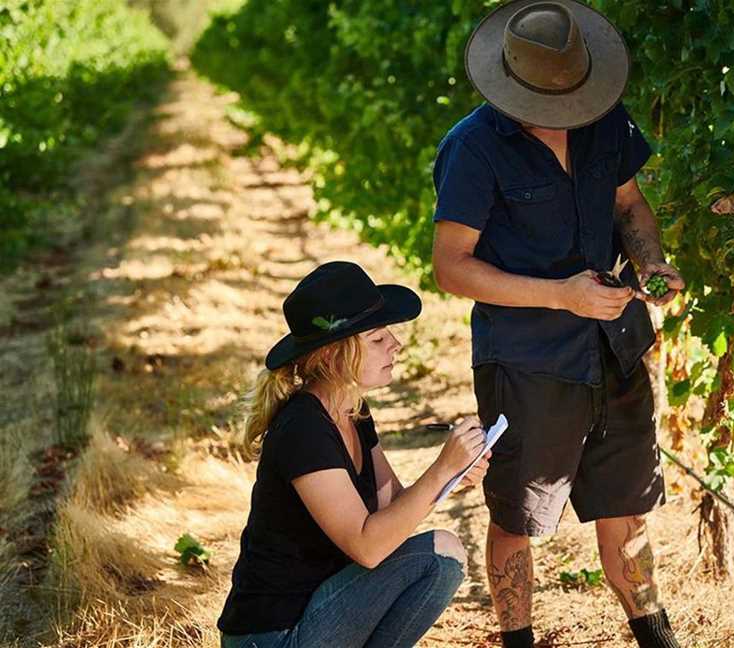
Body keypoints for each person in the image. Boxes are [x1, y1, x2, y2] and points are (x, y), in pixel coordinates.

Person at [431, 2, 686, 647]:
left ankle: (656, 638)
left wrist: (651, 264)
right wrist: (559, 296)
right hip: (527, 359)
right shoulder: (473, 148)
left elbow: (630, 205)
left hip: (614, 345)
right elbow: (451, 269)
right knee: (519, 511)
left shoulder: (607, 122)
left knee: (626, 501)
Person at [217, 261, 490, 648]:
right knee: (441, 553)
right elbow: (368, 546)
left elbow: (392, 506)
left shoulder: (353, 412)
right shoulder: (304, 428)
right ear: (333, 356)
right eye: (377, 339)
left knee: (443, 558)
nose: (395, 344)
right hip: (275, 635)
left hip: (320, 613)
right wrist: (439, 467)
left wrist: (452, 477)